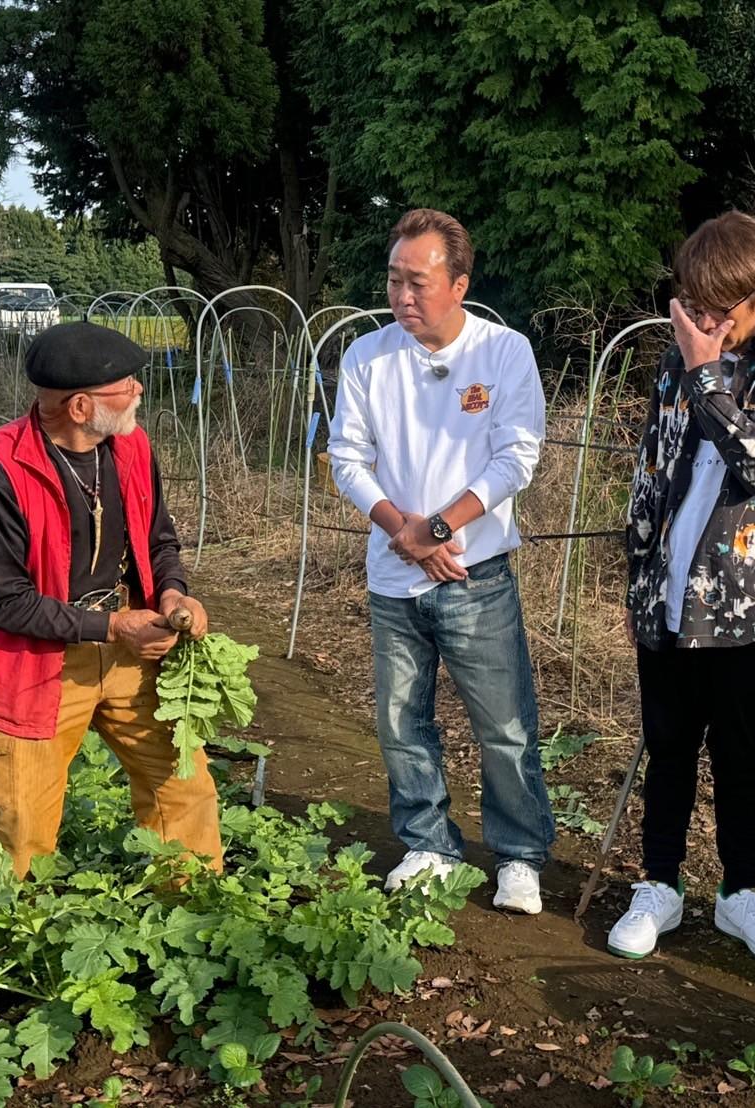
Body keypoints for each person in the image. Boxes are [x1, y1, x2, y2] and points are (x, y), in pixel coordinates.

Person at [611, 211, 755, 961]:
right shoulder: (676, 354)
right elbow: (654, 462)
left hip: (751, 602)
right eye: (693, 306)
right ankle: (660, 885)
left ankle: (741, 892)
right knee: (667, 744)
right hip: (668, 590)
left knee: (740, 751)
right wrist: (638, 566)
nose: (703, 322)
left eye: (719, 310)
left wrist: (706, 373)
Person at [327, 208, 554, 914]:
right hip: (396, 575)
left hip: (475, 572)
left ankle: (518, 855)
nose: (401, 296)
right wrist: (404, 531)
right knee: (402, 720)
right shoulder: (367, 356)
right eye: (394, 279)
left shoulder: (503, 351)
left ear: (458, 283)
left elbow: (516, 455)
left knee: (504, 723)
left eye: (417, 282)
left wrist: (439, 526)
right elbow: (346, 458)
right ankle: (427, 843)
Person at [0, 322, 222, 878]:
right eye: (125, 384)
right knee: (22, 833)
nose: (138, 392)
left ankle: (195, 920)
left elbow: (159, 537)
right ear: (80, 406)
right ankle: (23, 950)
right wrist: (115, 627)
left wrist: (175, 592)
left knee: (183, 790)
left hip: (129, 651)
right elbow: (5, 603)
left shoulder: (129, 446)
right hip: (32, 667)